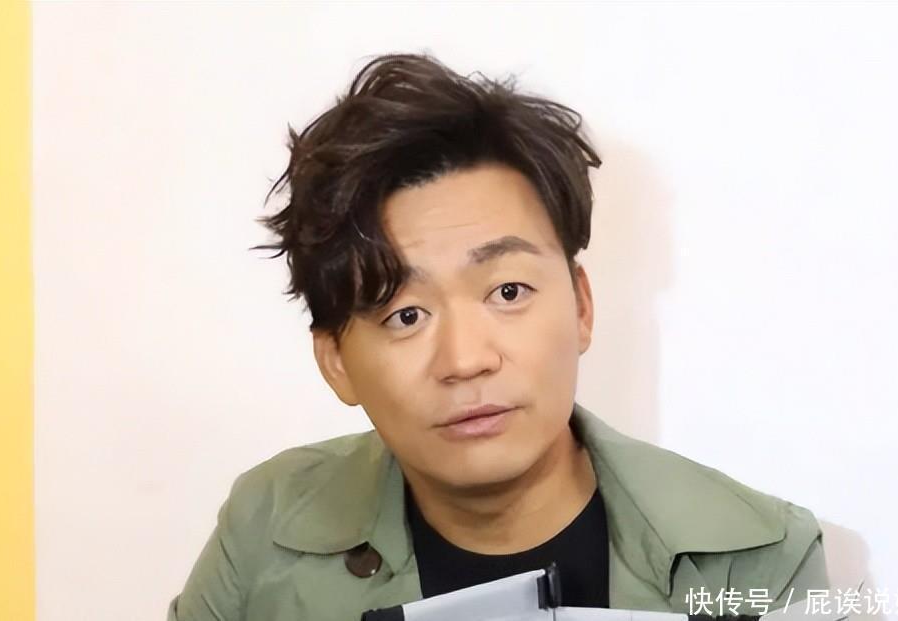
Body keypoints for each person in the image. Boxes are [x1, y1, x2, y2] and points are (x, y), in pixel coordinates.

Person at [167, 53, 829, 621]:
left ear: (582, 306)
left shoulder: (757, 558)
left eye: (508, 292)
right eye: (405, 315)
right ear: (335, 360)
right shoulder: (266, 529)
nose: (467, 360)